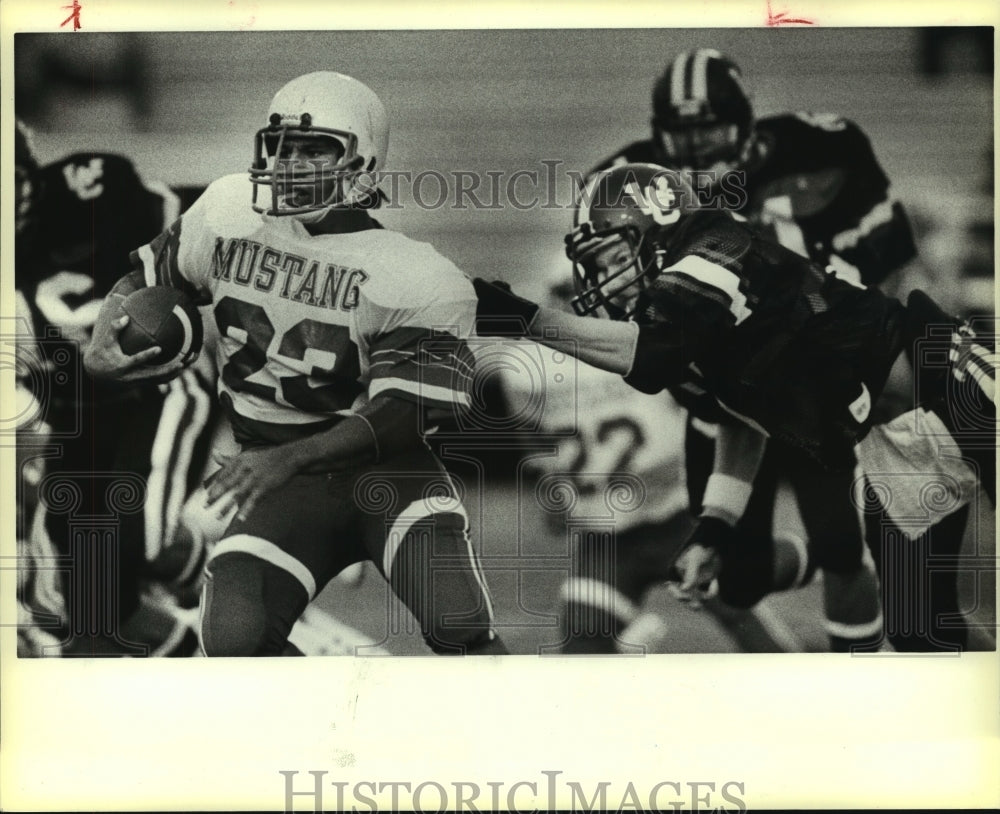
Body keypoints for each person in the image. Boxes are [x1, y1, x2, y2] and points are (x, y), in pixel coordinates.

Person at [84, 71, 507, 657]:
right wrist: (104, 337)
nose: (290, 162)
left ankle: (518, 736)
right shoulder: (230, 210)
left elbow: (401, 417)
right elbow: (145, 278)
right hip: (281, 483)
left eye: (315, 148)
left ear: (363, 162)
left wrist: (287, 458)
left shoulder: (417, 275)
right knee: (235, 642)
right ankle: (343, 719)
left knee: (458, 623)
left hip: (384, 475)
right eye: (281, 145)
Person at [579, 48, 965, 651]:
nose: (697, 151)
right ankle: (844, 560)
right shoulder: (641, 181)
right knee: (736, 578)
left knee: (843, 543)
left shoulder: (819, 148)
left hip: (815, 366)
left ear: (743, 123)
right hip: (722, 389)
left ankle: (850, 643)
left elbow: (895, 263)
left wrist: (923, 350)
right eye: (681, 136)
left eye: (709, 130)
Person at [475, 162, 919, 653]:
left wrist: (527, 319)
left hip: (677, 513)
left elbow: (655, 361)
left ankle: (835, 557)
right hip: (609, 534)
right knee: (584, 643)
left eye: (610, 262)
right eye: (590, 273)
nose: (598, 287)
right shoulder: (529, 370)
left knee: (765, 622)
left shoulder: (689, 307)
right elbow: (538, 443)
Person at [14, 119, 213, 656]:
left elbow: (197, 217)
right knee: (95, 611)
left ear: (27, 172)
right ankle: (186, 650)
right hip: (72, 414)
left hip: (159, 389)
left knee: (137, 537)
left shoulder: (90, 187)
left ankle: (224, 567)